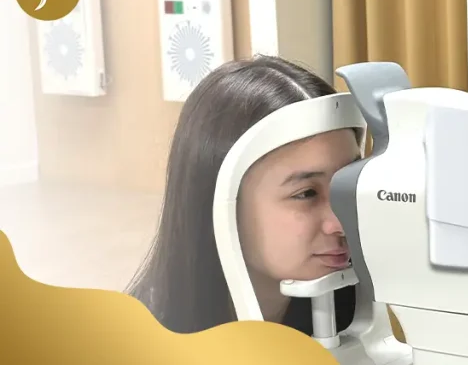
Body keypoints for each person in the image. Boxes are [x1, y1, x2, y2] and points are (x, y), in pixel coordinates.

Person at [126, 55, 364, 335]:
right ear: (221, 202)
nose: (340, 222)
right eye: (306, 194)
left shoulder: (350, 318)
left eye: (348, 183)